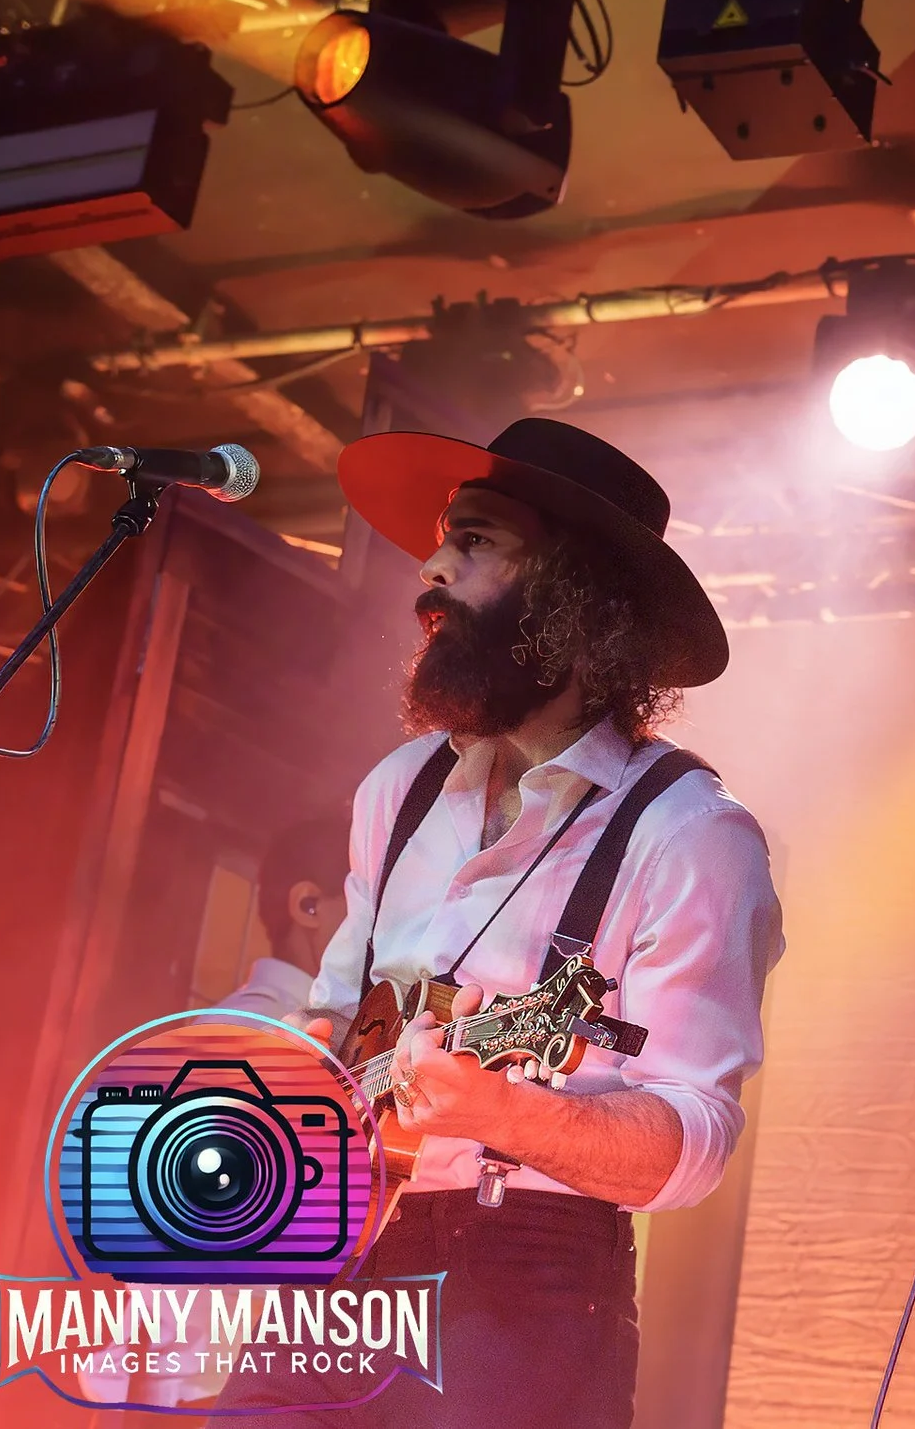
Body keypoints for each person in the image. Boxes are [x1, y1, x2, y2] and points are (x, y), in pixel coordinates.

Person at [220, 417, 783, 1429]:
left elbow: (695, 1140)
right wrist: (306, 1070)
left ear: (576, 596)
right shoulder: (397, 789)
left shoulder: (692, 836)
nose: (431, 569)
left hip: (524, 1276)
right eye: (446, 537)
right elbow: (344, 1014)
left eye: (475, 540)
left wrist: (506, 1115)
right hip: (333, 1262)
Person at [223, 809, 354, 1020]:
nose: (375, 926)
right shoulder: (248, 1024)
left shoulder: (249, 1019)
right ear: (308, 905)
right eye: (359, 901)